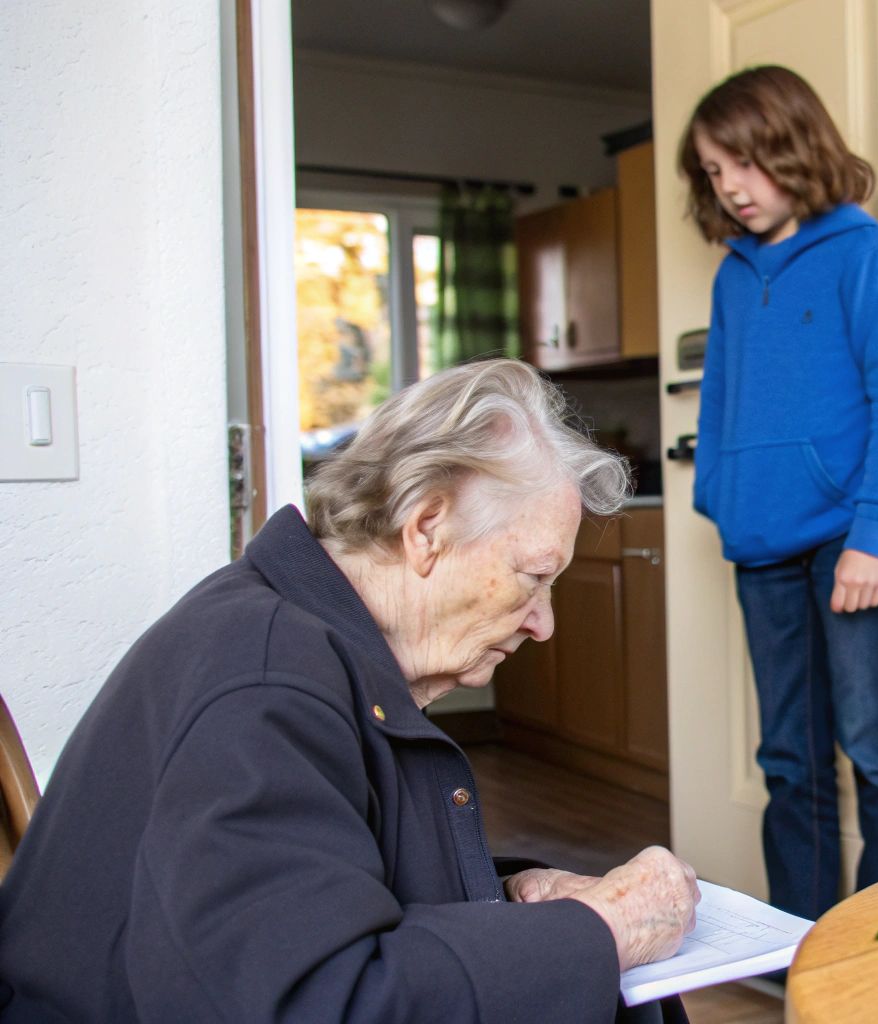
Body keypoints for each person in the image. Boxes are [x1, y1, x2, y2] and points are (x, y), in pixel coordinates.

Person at [0, 360, 699, 1022]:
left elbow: (325, 890)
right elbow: (312, 1002)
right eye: (533, 576)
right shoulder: (268, 680)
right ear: (426, 528)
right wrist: (602, 931)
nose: (542, 623)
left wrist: (513, 891)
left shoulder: (306, 640)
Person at [679, 65, 878, 922]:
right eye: (715, 172)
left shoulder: (860, 251)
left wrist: (875, 532)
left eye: (743, 163)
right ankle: (799, 945)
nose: (731, 188)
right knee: (788, 757)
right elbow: (720, 399)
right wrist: (722, 493)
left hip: (848, 539)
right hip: (761, 542)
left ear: (790, 146)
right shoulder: (732, 276)